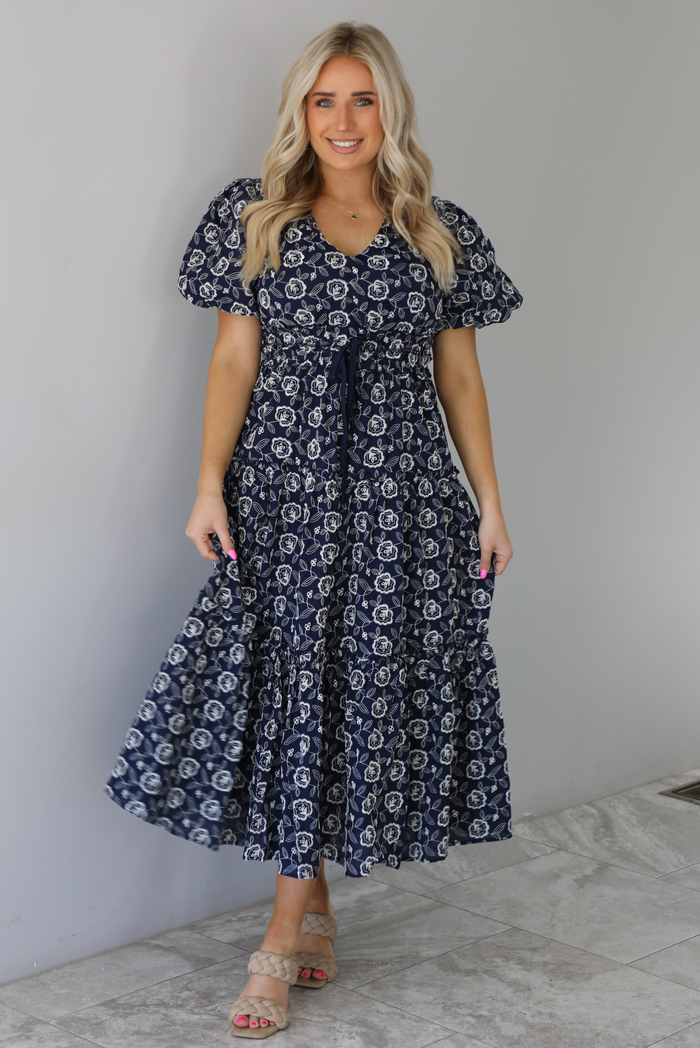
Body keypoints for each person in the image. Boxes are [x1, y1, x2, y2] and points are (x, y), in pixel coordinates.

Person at [104, 20, 522, 1039]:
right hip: (283, 496)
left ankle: (280, 937)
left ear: (392, 111)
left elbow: (457, 374)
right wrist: (209, 485)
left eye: (362, 99)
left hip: (402, 501)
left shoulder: (437, 229)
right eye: (324, 101)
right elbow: (233, 363)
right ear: (299, 112)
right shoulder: (253, 223)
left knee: (362, 687)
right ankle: (313, 904)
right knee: (298, 688)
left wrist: (491, 502)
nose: (343, 121)